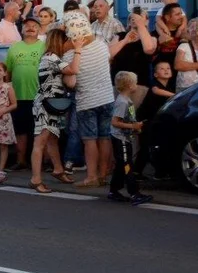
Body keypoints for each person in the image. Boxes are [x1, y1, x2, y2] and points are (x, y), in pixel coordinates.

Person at [61, 11, 114, 187]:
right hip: (107, 97)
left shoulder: (70, 56)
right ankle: (103, 174)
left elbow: (71, 83)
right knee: (105, 137)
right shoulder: (101, 45)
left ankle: (91, 176)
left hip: (87, 101)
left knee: (89, 140)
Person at [28, 29, 77, 194]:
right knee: (40, 141)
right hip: (46, 104)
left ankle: (58, 169)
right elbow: (72, 70)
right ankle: (35, 179)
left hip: (50, 103)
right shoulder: (51, 57)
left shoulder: (51, 57)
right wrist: (78, 50)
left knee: (52, 139)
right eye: (67, 40)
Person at [107, 71, 153, 205]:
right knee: (127, 165)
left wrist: (135, 127)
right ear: (129, 85)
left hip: (125, 137)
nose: (137, 86)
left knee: (122, 165)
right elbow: (115, 121)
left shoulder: (128, 101)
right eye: (135, 83)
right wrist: (133, 126)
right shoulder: (122, 102)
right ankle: (134, 193)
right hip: (120, 138)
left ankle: (114, 190)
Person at [5, 17, 44, 169]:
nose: (30, 28)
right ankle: (20, 161)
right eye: (27, 26)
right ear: (21, 29)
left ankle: (41, 162)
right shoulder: (14, 47)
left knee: (39, 131)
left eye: (34, 26)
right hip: (18, 97)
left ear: (39, 30)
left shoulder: (45, 46)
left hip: (39, 97)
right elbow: (8, 72)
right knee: (20, 131)